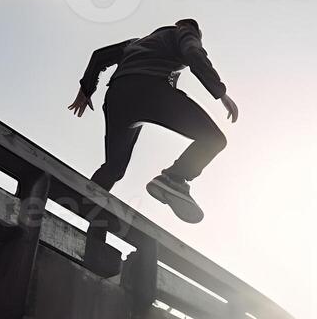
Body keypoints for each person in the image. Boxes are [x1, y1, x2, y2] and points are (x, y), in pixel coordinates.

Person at [68, 19, 238, 225]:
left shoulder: (135, 42)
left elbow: (99, 56)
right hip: (151, 90)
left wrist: (86, 90)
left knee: (114, 168)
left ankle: (83, 205)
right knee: (213, 139)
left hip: (117, 98)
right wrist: (221, 93)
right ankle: (174, 178)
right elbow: (194, 53)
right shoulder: (184, 33)